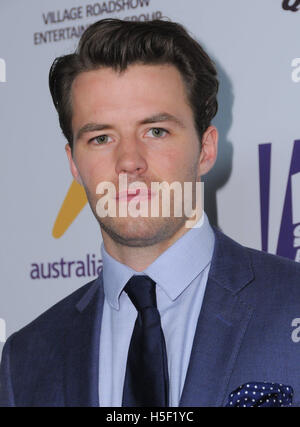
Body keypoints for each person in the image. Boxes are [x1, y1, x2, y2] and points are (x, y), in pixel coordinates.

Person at [1, 18, 300, 408]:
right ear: (74, 164)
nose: (129, 161)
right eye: (101, 137)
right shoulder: (24, 359)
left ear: (206, 149)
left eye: (156, 131)